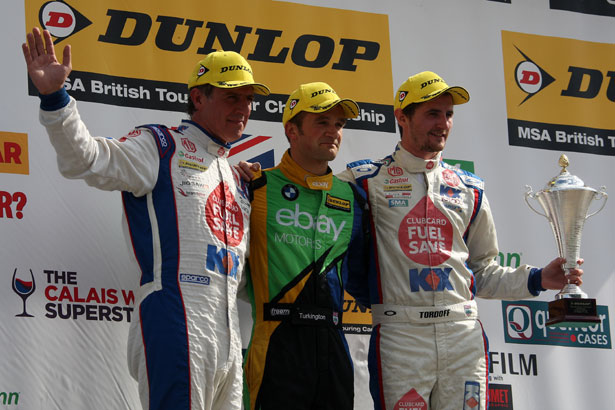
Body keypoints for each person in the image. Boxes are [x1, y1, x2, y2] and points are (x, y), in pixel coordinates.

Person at [22, 27, 270, 410]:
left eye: (249, 99)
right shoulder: (161, 145)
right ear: (197, 98)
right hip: (175, 313)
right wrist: (56, 98)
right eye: (231, 96)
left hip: (228, 330)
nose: (243, 107)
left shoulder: (233, 175)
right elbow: (85, 159)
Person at [339, 71, 584, 410]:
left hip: (462, 333)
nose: (443, 123)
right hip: (401, 334)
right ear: (401, 117)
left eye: (449, 114)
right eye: (432, 114)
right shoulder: (363, 180)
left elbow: (483, 271)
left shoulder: (469, 188)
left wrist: (538, 278)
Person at [241, 82, 369, 410]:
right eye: (322, 122)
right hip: (276, 341)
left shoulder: (352, 197)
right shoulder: (256, 185)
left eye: (338, 124)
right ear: (292, 130)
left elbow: (362, 275)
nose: (333, 132)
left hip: (333, 344)